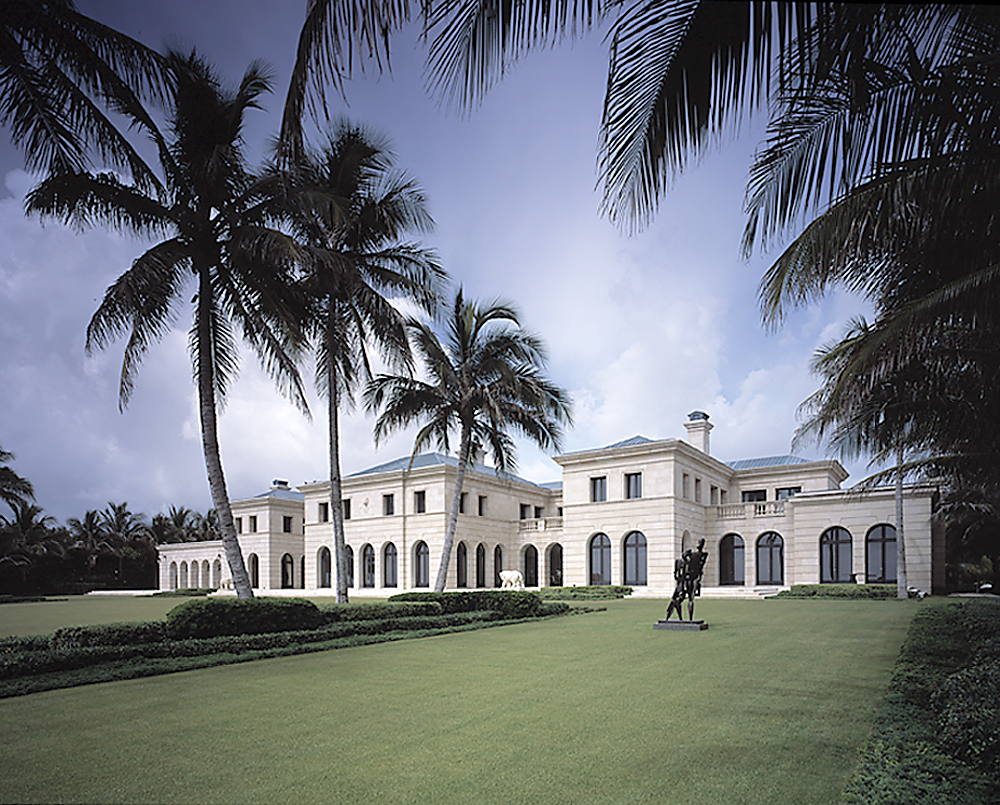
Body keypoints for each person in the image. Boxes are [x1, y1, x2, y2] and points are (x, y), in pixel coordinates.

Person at [664, 549, 692, 621]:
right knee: (674, 600)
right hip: (680, 584)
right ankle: (670, 616)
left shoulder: (688, 563)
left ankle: (678, 617)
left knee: (677, 601)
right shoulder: (678, 561)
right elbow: (675, 572)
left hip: (684, 585)